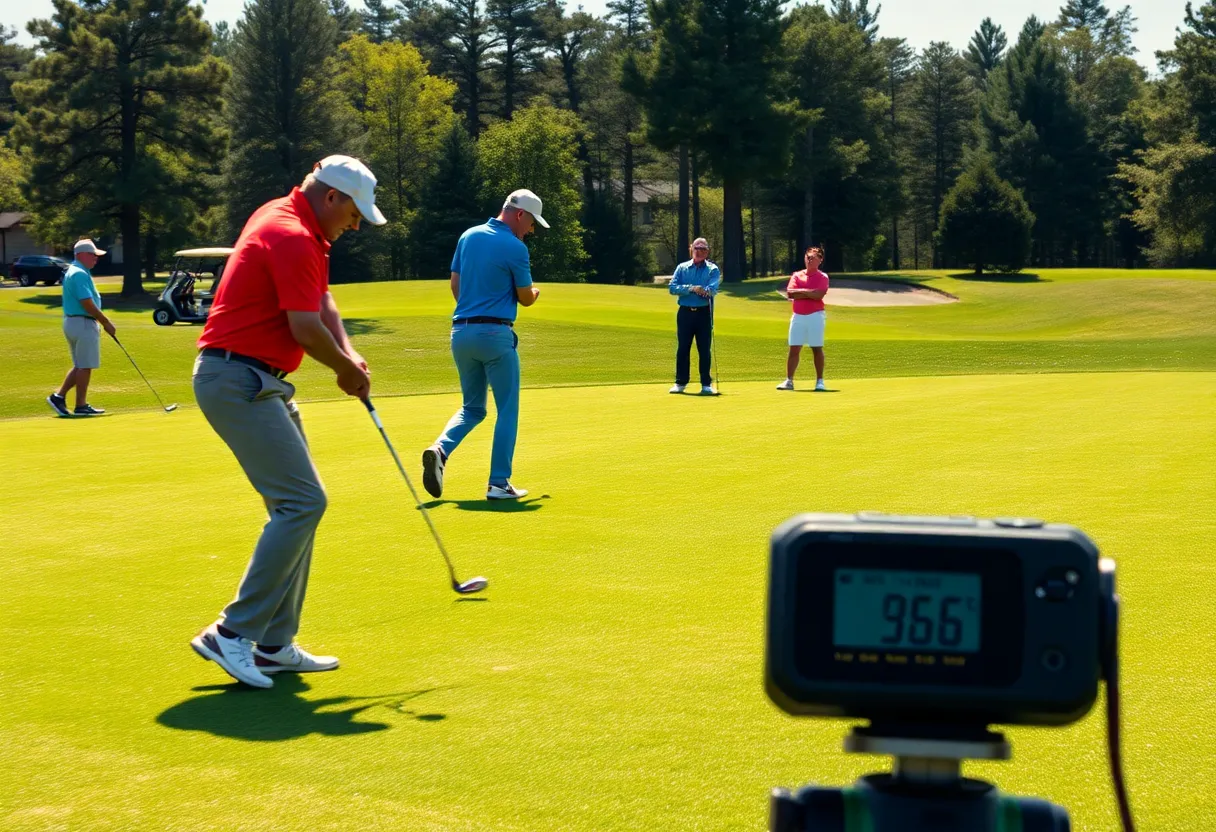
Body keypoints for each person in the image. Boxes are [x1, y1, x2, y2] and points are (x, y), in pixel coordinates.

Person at [189, 155, 385, 689]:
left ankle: (274, 644)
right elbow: (302, 328)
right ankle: (231, 634)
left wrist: (349, 351)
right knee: (303, 502)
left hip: (259, 380)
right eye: (354, 213)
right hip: (238, 379)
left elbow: (319, 299)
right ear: (330, 197)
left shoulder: (292, 221)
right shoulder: (292, 233)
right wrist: (344, 371)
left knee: (298, 505)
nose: (356, 223)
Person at [422, 189, 544, 502]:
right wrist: (535, 294)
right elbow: (525, 297)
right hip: (495, 336)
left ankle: (440, 450)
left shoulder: (468, 236)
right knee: (508, 410)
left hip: (460, 333)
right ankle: (499, 483)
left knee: (473, 408)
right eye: (531, 223)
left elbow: (455, 285)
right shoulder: (515, 247)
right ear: (519, 214)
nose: (530, 230)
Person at [47, 239, 116, 417]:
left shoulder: (76, 271)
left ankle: (58, 397)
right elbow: (86, 302)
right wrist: (105, 321)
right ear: (82, 255)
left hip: (74, 322)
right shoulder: (79, 273)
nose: (96, 258)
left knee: (80, 365)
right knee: (85, 366)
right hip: (83, 322)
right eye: (93, 255)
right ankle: (81, 405)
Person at [667, 237, 721, 395]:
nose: (700, 251)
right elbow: (672, 288)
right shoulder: (682, 268)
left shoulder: (712, 269)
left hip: (704, 313)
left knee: (704, 349)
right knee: (683, 348)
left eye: (703, 249)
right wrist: (691, 288)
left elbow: (712, 289)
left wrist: (703, 290)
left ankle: (706, 384)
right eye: (697, 248)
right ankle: (680, 383)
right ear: (692, 249)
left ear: (707, 252)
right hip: (685, 312)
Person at [777, 245, 829, 392]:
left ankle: (820, 381)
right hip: (798, 316)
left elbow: (819, 295)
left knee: (816, 348)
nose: (809, 260)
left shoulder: (822, 277)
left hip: (816, 316)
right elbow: (790, 293)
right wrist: (809, 293)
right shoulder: (796, 275)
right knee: (794, 348)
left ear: (820, 260)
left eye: (813, 258)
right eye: (807, 257)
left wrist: (802, 292)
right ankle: (789, 381)